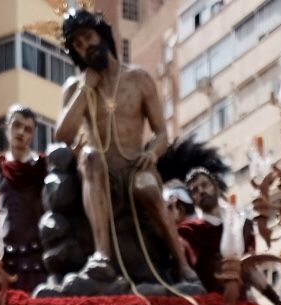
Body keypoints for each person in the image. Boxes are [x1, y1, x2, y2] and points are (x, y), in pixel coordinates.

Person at [54, 8, 192, 285]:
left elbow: (163, 133)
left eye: (88, 38)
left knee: (148, 188)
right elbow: (63, 134)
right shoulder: (75, 87)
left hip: (135, 165)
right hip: (99, 171)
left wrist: (151, 154)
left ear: (103, 35)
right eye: (78, 46)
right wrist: (85, 89)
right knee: (90, 157)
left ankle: (183, 265)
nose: (86, 47)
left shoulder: (138, 79)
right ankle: (102, 255)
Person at [0, 104, 48, 292]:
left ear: (33, 134)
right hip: (5, 262)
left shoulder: (42, 168)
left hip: (37, 261)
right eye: (16, 125)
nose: (21, 132)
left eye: (28, 129)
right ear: (6, 128)